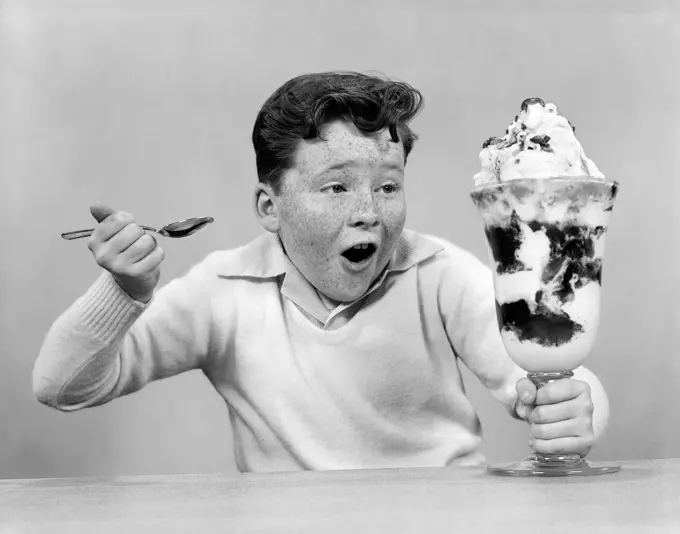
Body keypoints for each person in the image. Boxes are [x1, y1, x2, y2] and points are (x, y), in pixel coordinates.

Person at [34, 71, 607, 472]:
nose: (368, 212)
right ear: (269, 206)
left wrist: (579, 409)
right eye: (336, 187)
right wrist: (123, 291)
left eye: (388, 186)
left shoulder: (439, 274)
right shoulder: (223, 292)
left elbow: (545, 377)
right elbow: (61, 387)